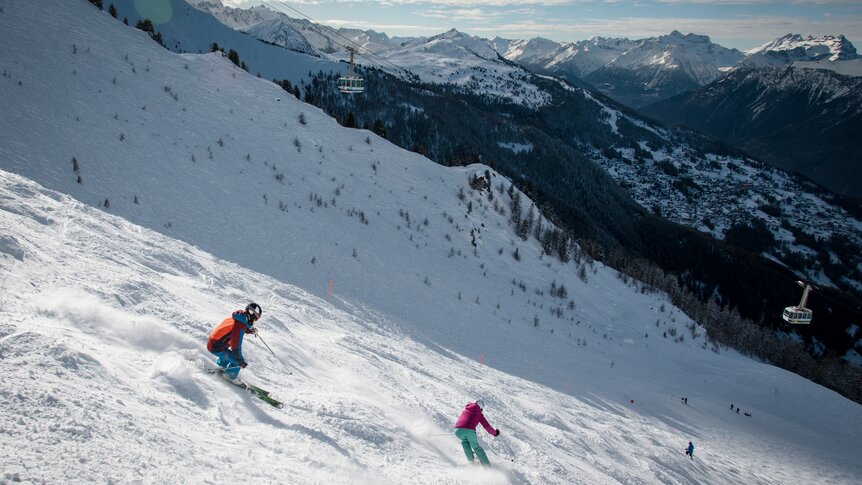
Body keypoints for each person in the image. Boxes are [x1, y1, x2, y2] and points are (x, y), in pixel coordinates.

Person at [207, 303, 262, 380]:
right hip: (216, 346)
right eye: (255, 319)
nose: (254, 321)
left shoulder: (239, 318)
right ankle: (230, 377)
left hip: (215, 344)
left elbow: (236, 328)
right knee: (237, 361)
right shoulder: (240, 325)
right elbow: (236, 346)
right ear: (251, 315)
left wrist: (249, 330)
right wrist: (240, 361)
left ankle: (218, 368)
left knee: (227, 357)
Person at [454, 399, 499, 467]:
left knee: (465, 443)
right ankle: (487, 467)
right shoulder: (479, 413)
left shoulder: (466, 410)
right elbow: (486, 426)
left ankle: (471, 462)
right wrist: (495, 433)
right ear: (480, 408)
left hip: (458, 430)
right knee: (476, 447)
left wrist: (460, 429)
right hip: (469, 430)